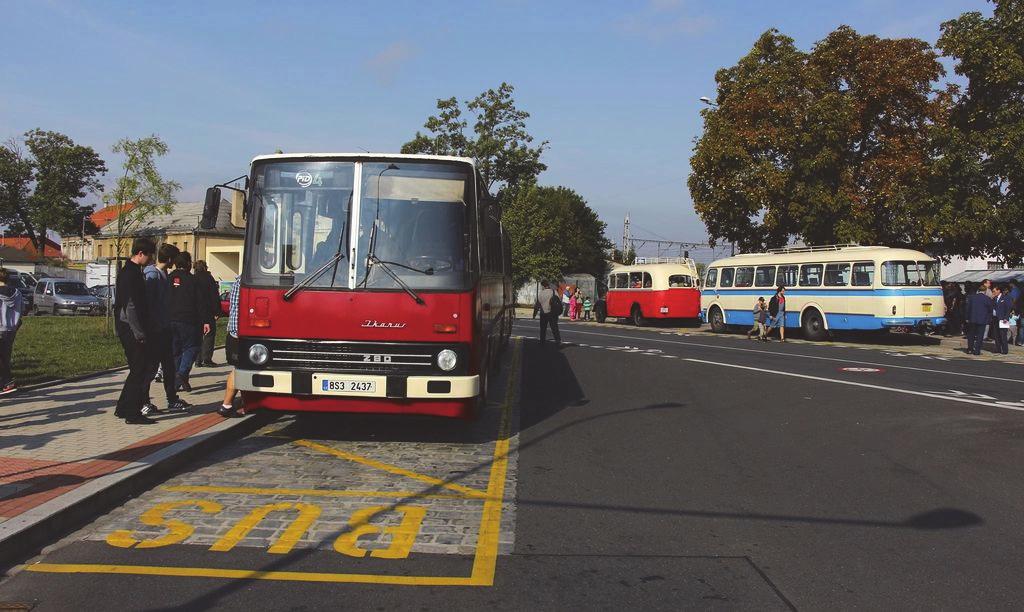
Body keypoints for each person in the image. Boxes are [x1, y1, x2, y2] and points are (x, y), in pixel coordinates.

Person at [141, 243, 190, 416]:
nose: (175, 264)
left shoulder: (162, 274)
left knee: (169, 366)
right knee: (151, 367)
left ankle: (172, 398)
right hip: (155, 330)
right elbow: (149, 304)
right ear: (169, 259)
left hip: (165, 327)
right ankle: (144, 401)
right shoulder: (152, 275)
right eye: (174, 260)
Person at [114, 238, 157, 424]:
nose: (150, 259)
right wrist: (139, 333)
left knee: (136, 369)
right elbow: (130, 307)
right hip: (131, 329)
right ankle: (133, 413)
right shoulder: (131, 274)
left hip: (128, 328)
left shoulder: (128, 271)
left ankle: (123, 407)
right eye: (149, 255)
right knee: (139, 370)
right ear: (141, 254)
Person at [168, 252, 213, 392]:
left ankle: (175, 382)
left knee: (175, 351)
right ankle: (182, 373)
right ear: (188, 264)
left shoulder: (169, 278)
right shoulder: (193, 280)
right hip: (189, 320)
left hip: (170, 320)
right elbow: (201, 302)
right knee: (192, 347)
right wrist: (206, 320)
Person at [219, 276, 243, 417]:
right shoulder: (245, 280)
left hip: (234, 331)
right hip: (239, 333)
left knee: (240, 369)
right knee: (239, 370)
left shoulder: (238, 280)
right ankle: (226, 404)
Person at [0, 268, 24, 395]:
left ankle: (6, 381)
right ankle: (5, 383)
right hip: (11, 329)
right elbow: (22, 309)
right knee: (5, 356)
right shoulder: (18, 293)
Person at [193, 260, 221, 367]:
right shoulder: (209, 278)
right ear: (205, 267)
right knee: (209, 335)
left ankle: (197, 359)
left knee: (197, 335)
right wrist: (217, 311)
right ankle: (207, 358)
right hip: (208, 310)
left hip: (196, 311)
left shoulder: (193, 278)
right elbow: (214, 295)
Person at [965, 283, 994, 356]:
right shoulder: (987, 299)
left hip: (972, 318)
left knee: (971, 335)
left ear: (978, 290)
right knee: (980, 336)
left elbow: (968, 309)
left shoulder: (972, 297)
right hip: (982, 319)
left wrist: (967, 318)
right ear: (985, 291)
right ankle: (977, 350)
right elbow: (990, 310)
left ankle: (970, 349)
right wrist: (989, 319)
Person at [536, 280, 562, 346]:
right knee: (554, 327)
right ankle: (558, 341)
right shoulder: (554, 292)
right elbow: (558, 301)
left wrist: (534, 313)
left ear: (543, 286)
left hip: (543, 313)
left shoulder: (541, 293)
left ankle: (542, 342)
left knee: (543, 328)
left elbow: (538, 304)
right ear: (548, 285)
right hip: (553, 313)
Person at [992, 284, 1011, 355]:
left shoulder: (1005, 298)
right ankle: (998, 348)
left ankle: (1005, 349)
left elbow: (1008, 308)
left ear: (998, 291)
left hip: (1003, 319)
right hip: (995, 318)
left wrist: (1006, 318)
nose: (993, 292)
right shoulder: (994, 298)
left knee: (1003, 334)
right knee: (996, 334)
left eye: (994, 291)